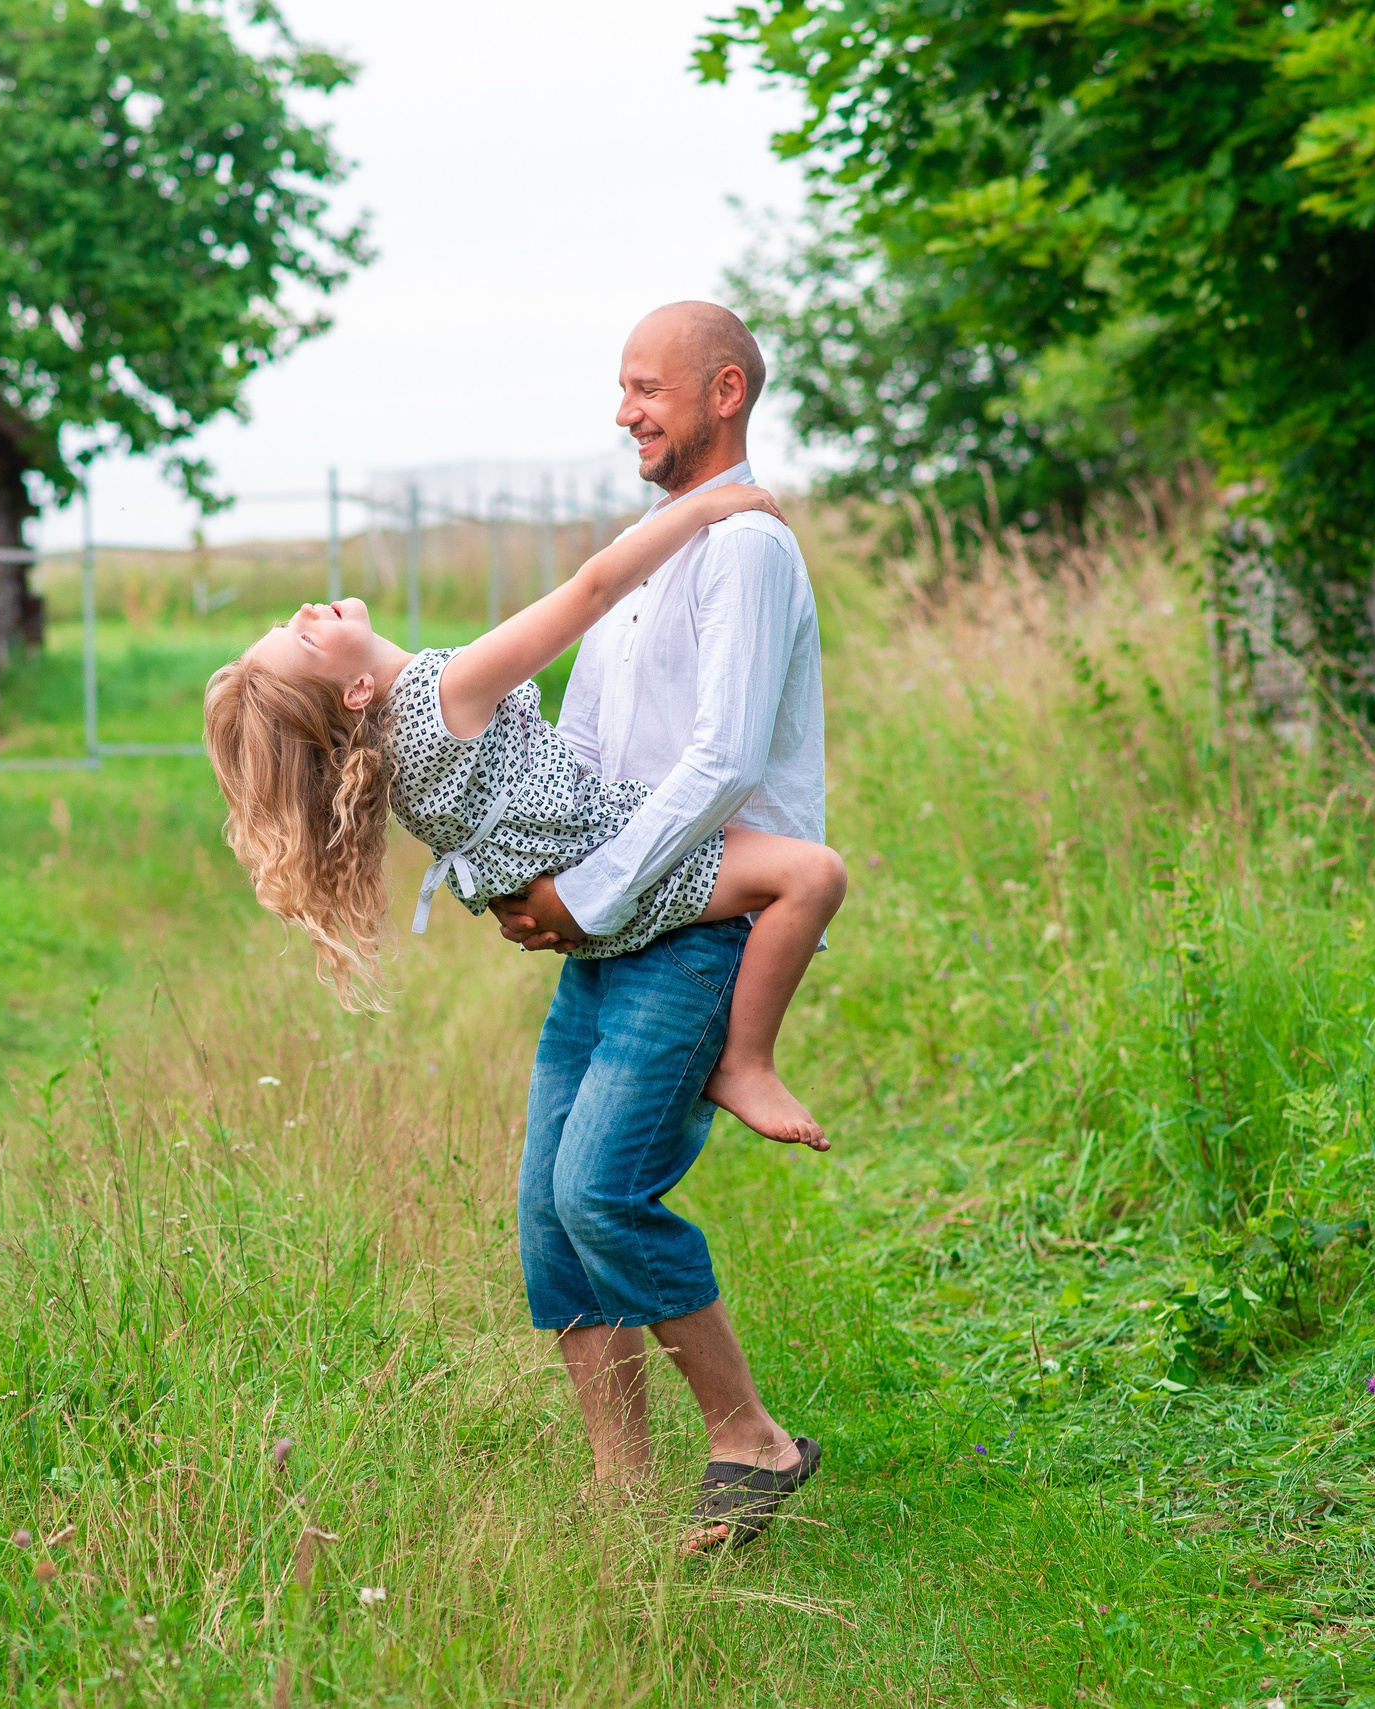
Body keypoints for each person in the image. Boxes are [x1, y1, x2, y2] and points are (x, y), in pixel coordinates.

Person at [484, 302, 828, 1553]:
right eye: (620, 387)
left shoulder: (745, 550)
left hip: (697, 926)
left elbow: (726, 759)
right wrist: (538, 877)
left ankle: (753, 1440)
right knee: (546, 1209)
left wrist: (596, 890)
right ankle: (618, 1482)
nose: (625, 409)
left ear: (722, 390)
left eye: (647, 387)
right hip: (611, 930)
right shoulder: (652, 545)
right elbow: (586, 749)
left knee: (603, 1190)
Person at [203, 476, 843, 1149]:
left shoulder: (389, 755)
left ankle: (738, 1059)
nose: (305, 612)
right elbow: (590, 594)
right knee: (814, 875)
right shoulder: (442, 695)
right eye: (302, 642)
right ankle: (747, 1062)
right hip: (615, 857)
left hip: (573, 904)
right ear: (357, 690)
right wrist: (708, 505)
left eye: (286, 624)